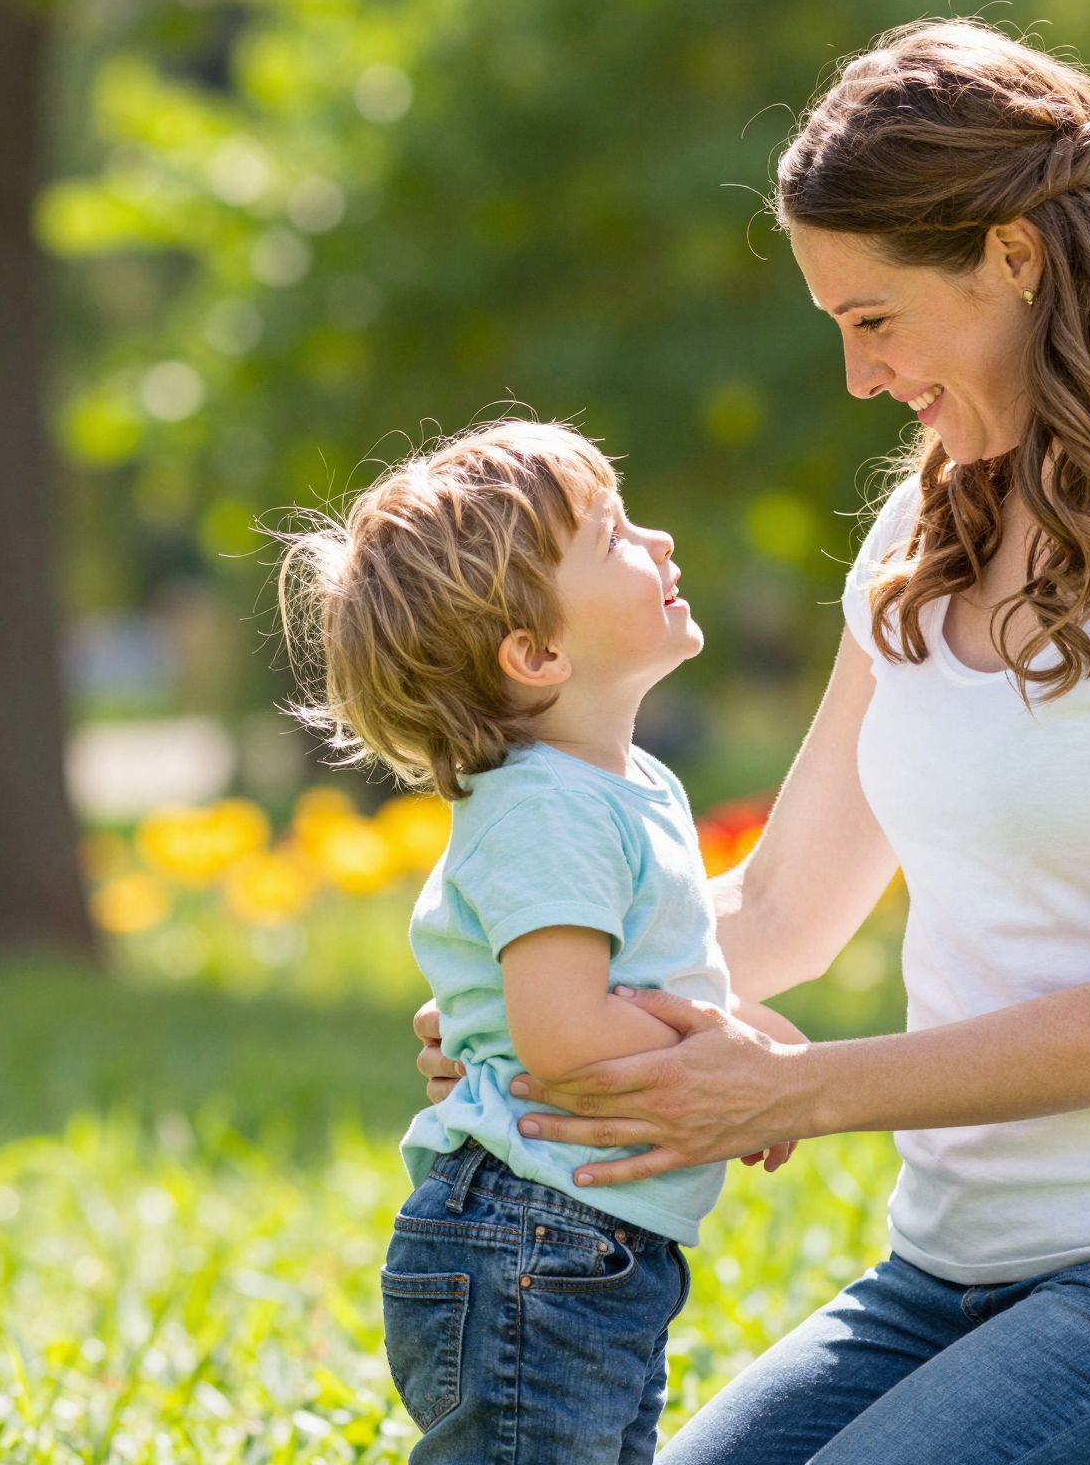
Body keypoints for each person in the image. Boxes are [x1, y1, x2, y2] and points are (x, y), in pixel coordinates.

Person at [414, 19, 1090, 1465]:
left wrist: (795, 1091)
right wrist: (542, 1006)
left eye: (874, 319)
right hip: (946, 1275)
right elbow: (783, 908)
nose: (858, 376)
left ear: (1013, 257)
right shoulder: (923, 533)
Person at [275, 419, 805, 1463]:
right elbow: (564, 1036)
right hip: (532, 1238)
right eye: (614, 537)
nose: (658, 541)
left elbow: (638, 983)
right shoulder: (547, 808)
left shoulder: (624, 786)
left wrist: (746, 1038)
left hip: (579, 1244)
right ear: (536, 653)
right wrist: (729, 1058)